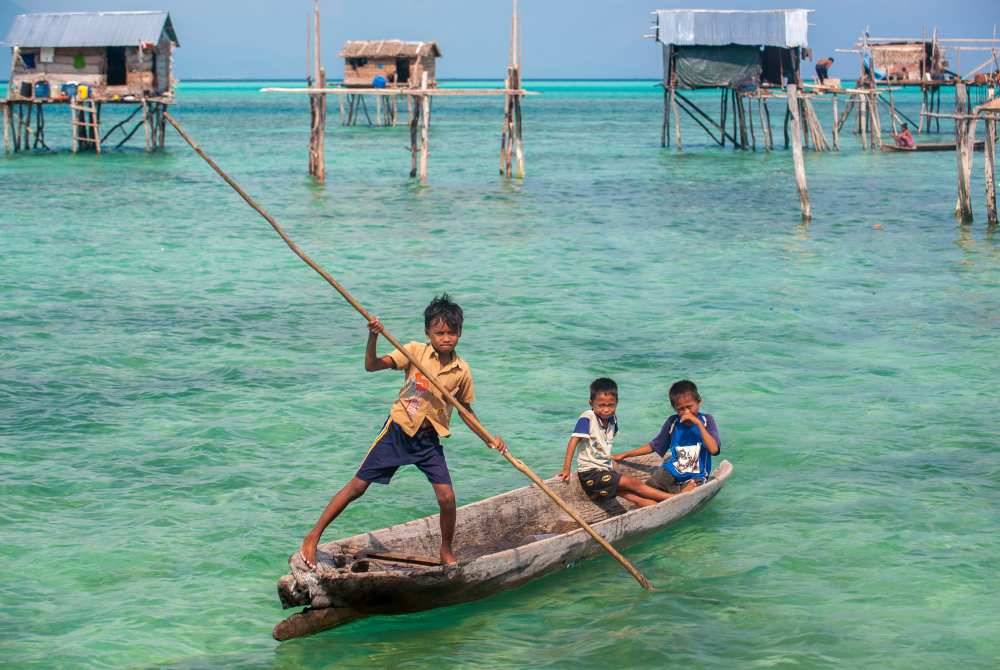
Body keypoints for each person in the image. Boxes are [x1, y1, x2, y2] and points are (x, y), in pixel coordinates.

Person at [298, 294, 507, 569]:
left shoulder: (461, 371)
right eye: (439, 332)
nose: (446, 338)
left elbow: (466, 411)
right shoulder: (413, 352)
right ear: (428, 333)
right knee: (358, 487)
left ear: (460, 333)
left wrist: (490, 439)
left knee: (447, 497)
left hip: (428, 439)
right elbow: (371, 366)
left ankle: (446, 548)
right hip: (397, 431)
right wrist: (373, 336)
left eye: (452, 333)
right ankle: (313, 537)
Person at [557, 378, 674, 508]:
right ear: (591, 403)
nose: (606, 409)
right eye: (601, 405)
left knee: (625, 491)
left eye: (610, 405)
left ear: (616, 403)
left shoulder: (613, 420)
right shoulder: (587, 417)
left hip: (604, 472)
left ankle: (643, 502)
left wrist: (615, 458)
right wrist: (566, 468)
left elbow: (604, 445)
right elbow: (574, 440)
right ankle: (673, 498)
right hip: (590, 475)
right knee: (634, 483)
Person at [613, 380, 720, 493]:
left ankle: (679, 491)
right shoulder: (673, 422)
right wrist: (625, 454)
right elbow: (653, 446)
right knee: (650, 486)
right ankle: (677, 491)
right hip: (673, 470)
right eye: (681, 409)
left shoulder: (707, 421)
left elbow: (714, 450)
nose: (686, 412)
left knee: (691, 489)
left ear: (699, 402)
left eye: (689, 407)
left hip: (697, 475)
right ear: (675, 408)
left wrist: (697, 423)